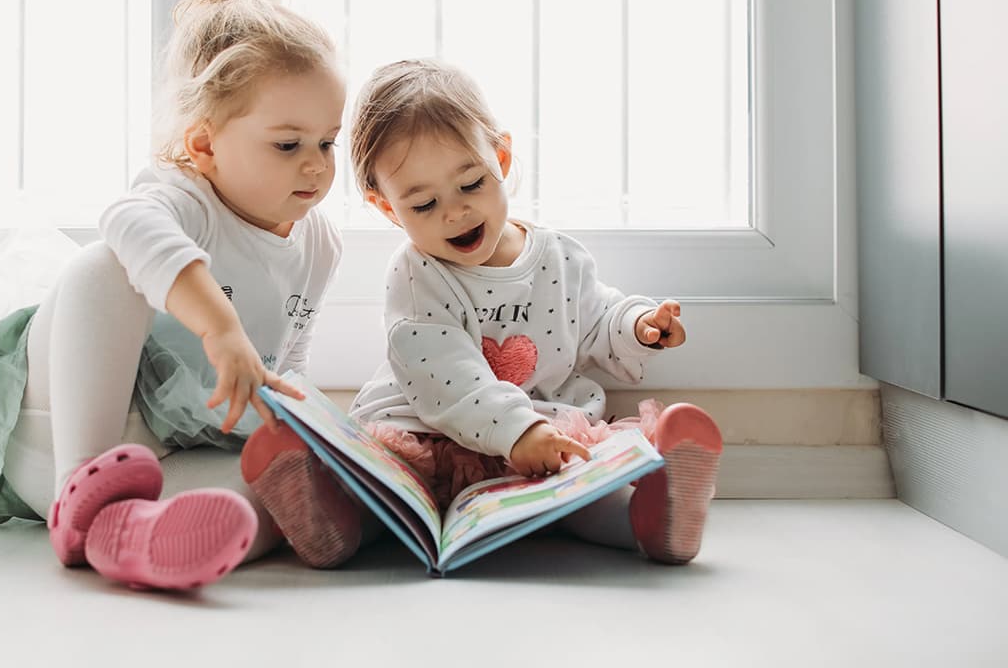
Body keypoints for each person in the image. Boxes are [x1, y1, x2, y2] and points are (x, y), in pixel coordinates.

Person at [0, 0, 349, 591]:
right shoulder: (184, 199)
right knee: (104, 264)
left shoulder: (319, 242)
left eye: (328, 142)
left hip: (168, 453)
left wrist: (309, 428)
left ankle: (140, 540)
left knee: (276, 486)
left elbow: (290, 353)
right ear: (203, 147)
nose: (316, 165)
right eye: (288, 145)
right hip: (64, 432)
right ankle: (81, 495)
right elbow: (125, 222)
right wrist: (219, 325)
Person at [248, 58, 723, 569]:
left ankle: (655, 517)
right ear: (387, 208)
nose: (455, 212)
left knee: (579, 490)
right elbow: (448, 375)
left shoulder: (558, 256)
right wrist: (515, 432)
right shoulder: (417, 275)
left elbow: (594, 316)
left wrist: (637, 326)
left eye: (471, 184)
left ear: (501, 157)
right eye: (424, 205)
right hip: (427, 434)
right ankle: (328, 521)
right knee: (386, 495)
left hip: (541, 434)